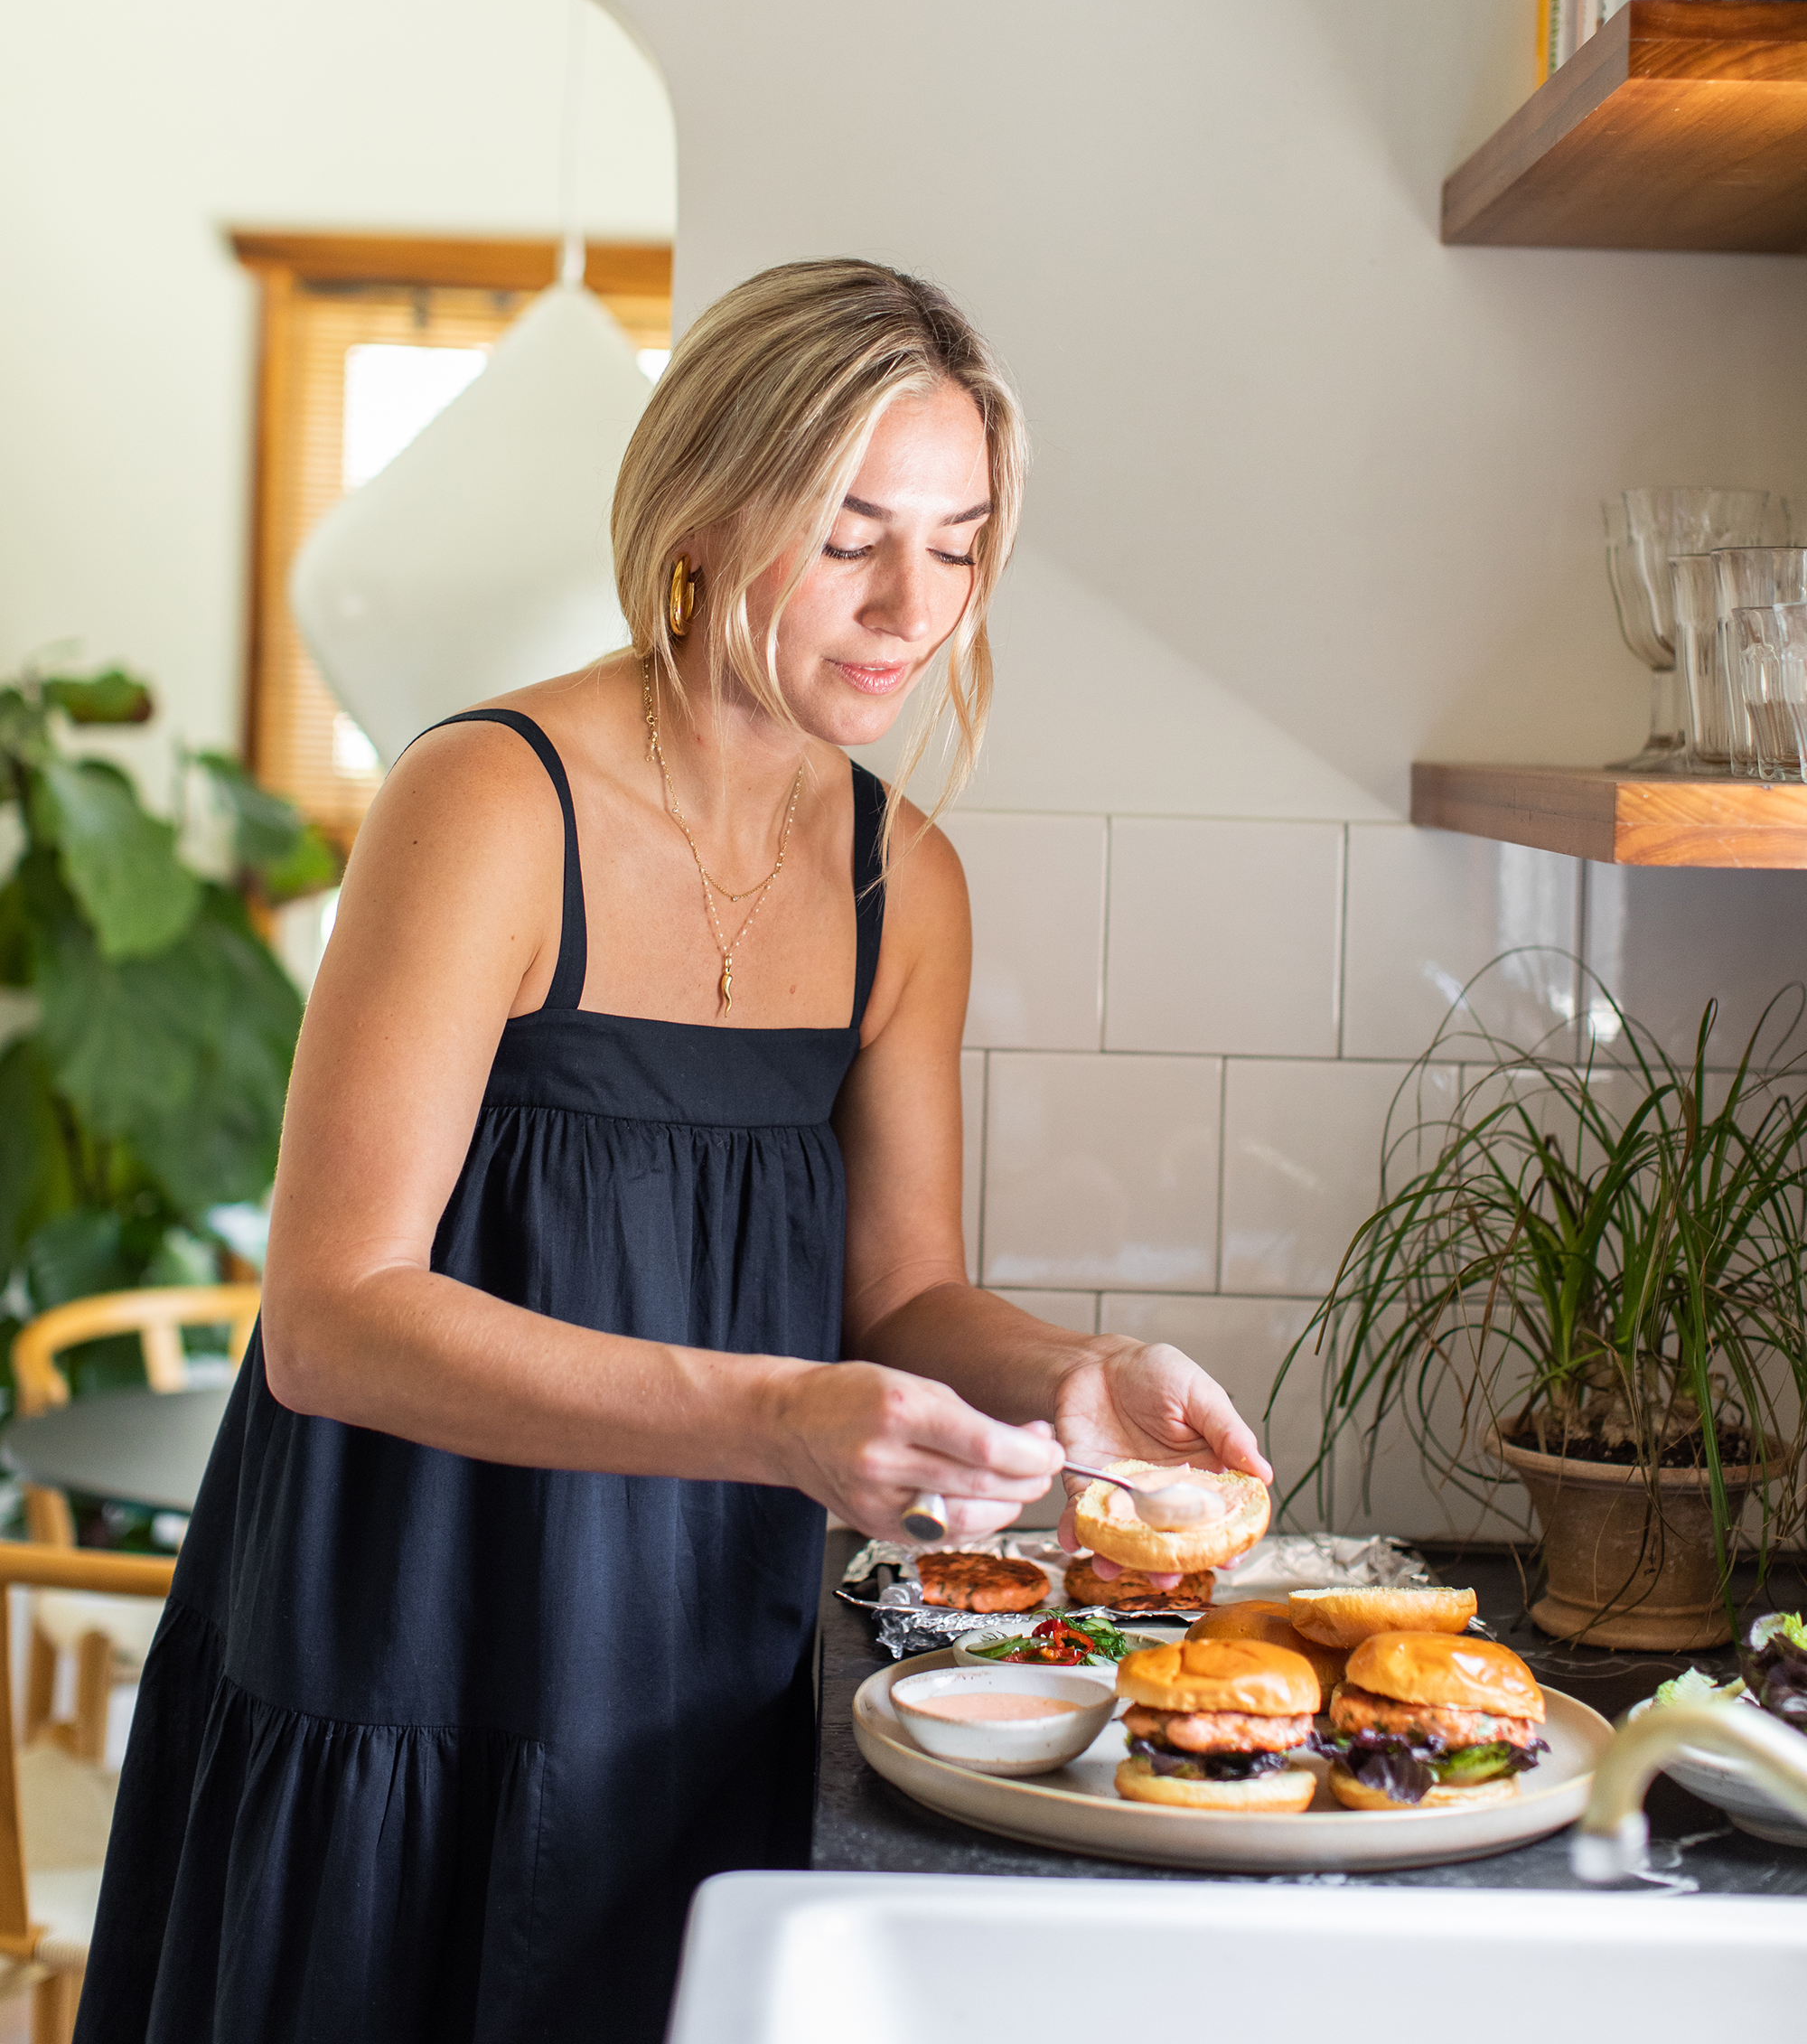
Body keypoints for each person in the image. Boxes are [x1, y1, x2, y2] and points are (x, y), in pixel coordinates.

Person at [79, 259, 1270, 2044]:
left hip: (687, 1674)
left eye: (957, 545)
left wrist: (1079, 1374)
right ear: (706, 512)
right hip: (405, 1634)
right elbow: (330, 1318)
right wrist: (782, 1421)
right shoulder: (485, 805)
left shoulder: (901, 884)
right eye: (850, 531)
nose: (907, 606)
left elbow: (900, 1291)